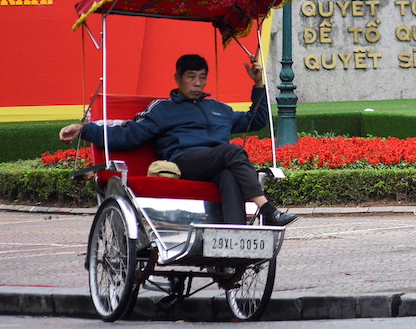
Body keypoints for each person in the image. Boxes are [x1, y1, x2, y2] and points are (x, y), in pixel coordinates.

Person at [58, 54, 297, 227]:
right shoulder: (163, 109)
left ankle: (232, 242)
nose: (197, 83)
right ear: (178, 78)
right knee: (231, 152)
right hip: (184, 162)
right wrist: (84, 129)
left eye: (202, 77)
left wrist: (258, 84)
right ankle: (265, 208)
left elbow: (256, 121)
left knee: (228, 176)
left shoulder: (219, 109)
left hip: (216, 164)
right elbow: (129, 135)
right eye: (191, 77)